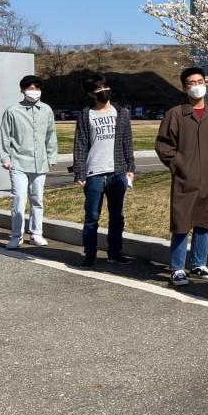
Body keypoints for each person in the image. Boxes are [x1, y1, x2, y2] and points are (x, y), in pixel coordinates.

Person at [155, 67, 208, 287]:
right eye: (191, 82)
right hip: (184, 178)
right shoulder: (175, 114)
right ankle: (177, 268)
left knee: (204, 219)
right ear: (184, 87)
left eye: (200, 81)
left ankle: (199, 263)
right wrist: (177, 165)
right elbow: (163, 145)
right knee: (181, 222)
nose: (197, 86)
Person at [71, 73, 136, 269]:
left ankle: (115, 252)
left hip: (117, 172)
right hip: (94, 173)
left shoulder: (121, 113)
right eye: (98, 89)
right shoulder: (86, 115)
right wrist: (80, 172)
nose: (104, 91)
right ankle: (89, 254)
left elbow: (127, 141)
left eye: (105, 86)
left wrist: (130, 167)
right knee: (92, 216)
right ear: (91, 94)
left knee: (117, 216)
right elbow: (80, 144)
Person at [0, 75, 58, 250]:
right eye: (30, 88)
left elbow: (51, 135)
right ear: (22, 90)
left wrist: (51, 156)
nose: (34, 91)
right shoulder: (12, 111)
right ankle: (16, 235)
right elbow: (5, 136)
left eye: (36, 88)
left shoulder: (46, 110)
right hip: (18, 163)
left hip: (40, 163)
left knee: (37, 199)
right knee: (18, 199)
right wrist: (5, 158)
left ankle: (36, 233)